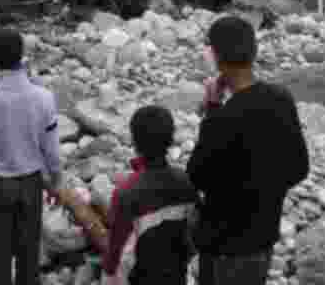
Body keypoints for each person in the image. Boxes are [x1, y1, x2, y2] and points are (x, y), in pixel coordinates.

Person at [187, 15, 309, 285]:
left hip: (223, 247)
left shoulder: (222, 118)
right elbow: (300, 168)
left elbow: (197, 176)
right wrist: (265, 191)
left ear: (216, 57)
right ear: (254, 52)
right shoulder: (281, 100)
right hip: (263, 238)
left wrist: (212, 107)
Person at [0, 28, 62, 285]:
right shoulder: (43, 97)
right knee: (28, 255)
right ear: (22, 55)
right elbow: (51, 149)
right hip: (30, 182)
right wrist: (56, 180)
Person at [102, 105, 198, 285]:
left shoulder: (126, 192)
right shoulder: (185, 182)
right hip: (176, 277)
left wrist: (108, 275)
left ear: (135, 141)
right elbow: (192, 236)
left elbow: (115, 252)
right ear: (171, 139)